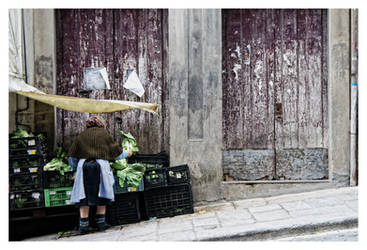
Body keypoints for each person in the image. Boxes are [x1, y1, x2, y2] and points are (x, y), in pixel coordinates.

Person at [67, 116, 132, 234]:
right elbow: (116, 154)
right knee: (102, 192)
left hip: (84, 167)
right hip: (100, 166)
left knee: (84, 195)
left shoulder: (81, 136)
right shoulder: (105, 134)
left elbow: (72, 156)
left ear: (88, 124)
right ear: (101, 124)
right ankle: (101, 223)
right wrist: (127, 153)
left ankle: (83, 225)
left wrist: (75, 168)